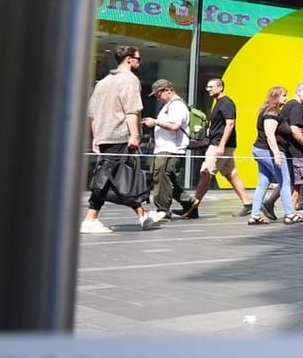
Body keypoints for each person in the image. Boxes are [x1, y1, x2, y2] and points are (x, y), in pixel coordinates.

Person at [83, 45, 160, 233]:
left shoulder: (103, 82)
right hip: (120, 135)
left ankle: (142, 215)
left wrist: (96, 137)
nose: (139, 62)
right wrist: (135, 135)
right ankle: (91, 219)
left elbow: (92, 114)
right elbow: (132, 109)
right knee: (113, 176)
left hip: (104, 136)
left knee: (112, 175)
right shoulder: (129, 80)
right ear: (128, 59)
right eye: (138, 58)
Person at [183, 77, 249, 217]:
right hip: (221, 144)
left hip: (220, 145)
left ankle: (193, 207)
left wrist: (221, 145)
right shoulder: (218, 103)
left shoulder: (226, 103)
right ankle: (247, 204)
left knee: (206, 173)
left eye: (211, 86)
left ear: (220, 88)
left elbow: (230, 123)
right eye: (207, 87)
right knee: (231, 174)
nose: (208, 89)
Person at [249, 85, 303, 225]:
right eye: (284, 95)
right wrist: (276, 154)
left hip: (262, 150)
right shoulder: (272, 113)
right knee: (285, 181)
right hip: (269, 151)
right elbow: (269, 134)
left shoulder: (269, 111)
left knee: (263, 183)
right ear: (276, 97)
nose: (286, 98)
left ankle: (255, 215)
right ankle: (290, 214)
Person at [143, 78, 190, 217]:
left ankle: (163, 210)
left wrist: (155, 122)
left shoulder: (176, 105)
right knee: (168, 179)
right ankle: (189, 203)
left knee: (162, 179)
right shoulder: (169, 105)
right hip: (166, 148)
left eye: (158, 94)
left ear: (168, 90)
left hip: (171, 149)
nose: (158, 98)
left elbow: (175, 126)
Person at [279, 83, 303, 216]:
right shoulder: (295, 106)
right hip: (296, 151)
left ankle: (271, 204)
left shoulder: (291, 106)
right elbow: (295, 129)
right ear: (299, 92)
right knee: (298, 183)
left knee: (291, 181)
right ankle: (291, 212)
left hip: (292, 150)